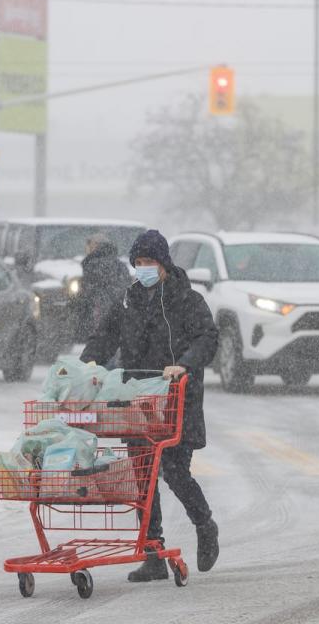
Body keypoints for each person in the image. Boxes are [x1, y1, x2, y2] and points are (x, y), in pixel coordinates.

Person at [80, 229, 220, 582]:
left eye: (149, 262)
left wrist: (184, 363)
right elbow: (105, 335)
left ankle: (204, 524)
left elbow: (208, 337)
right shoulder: (128, 300)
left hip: (176, 401)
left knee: (174, 471)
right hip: (138, 399)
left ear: (164, 264)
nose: (143, 268)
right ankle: (153, 553)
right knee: (143, 477)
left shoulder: (186, 300)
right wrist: (89, 363)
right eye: (138, 263)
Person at [76, 234, 131, 341]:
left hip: (99, 309)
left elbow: (87, 290)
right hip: (120, 308)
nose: (87, 249)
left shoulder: (91, 264)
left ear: (95, 246)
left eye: (89, 245)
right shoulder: (120, 265)